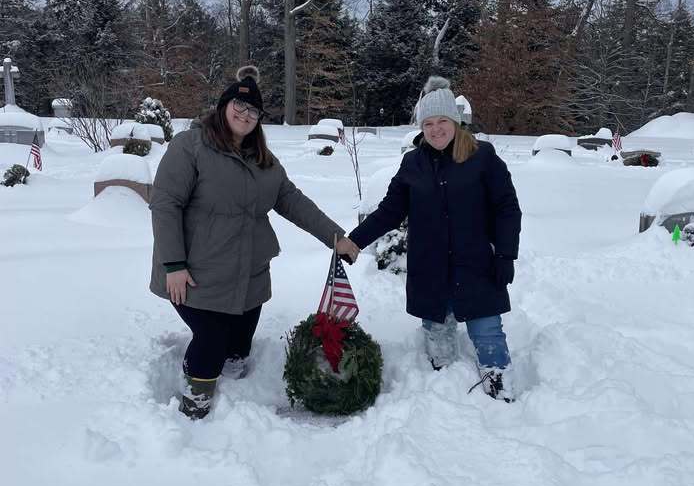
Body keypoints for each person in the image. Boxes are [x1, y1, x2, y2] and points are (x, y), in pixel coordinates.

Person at [149, 66, 358, 419]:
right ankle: (196, 404)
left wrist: (336, 237)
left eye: (254, 111)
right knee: (211, 340)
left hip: (249, 276)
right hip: (197, 273)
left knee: (238, 347)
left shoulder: (264, 161)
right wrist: (174, 265)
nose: (245, 115)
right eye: (239, 106)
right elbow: (165, 204)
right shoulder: (191, 146)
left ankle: (233, 391)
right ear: (224, 105)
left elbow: (293, 201)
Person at [344, 75, 521, 402]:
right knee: (438, 336)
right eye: (428, 123)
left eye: (442, 121)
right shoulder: (413, 163)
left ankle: (500, 386)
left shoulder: (482, 157)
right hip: (431, 269)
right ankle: (444, 392)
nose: (436, 129)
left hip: (476, 266)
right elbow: (390, 211)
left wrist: (505, 255)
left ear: (455, 122)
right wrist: (354, 241)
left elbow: (507, 208)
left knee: (488, 331)